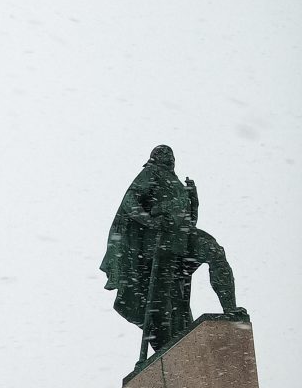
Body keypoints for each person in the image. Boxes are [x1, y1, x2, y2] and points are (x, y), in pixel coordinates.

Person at [100, 145, 246, 353]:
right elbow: (129, 202)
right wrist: (150, 221)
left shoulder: (176, 182)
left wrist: (193, 201)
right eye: (164, 154)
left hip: (183, 236)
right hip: (161, 242)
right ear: (155, 158)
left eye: (170, 154)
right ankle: (166, 345)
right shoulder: (151, 172)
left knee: (215, 251)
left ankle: (230, 309)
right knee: (166, 303)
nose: (169, 157)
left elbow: (190, 220)